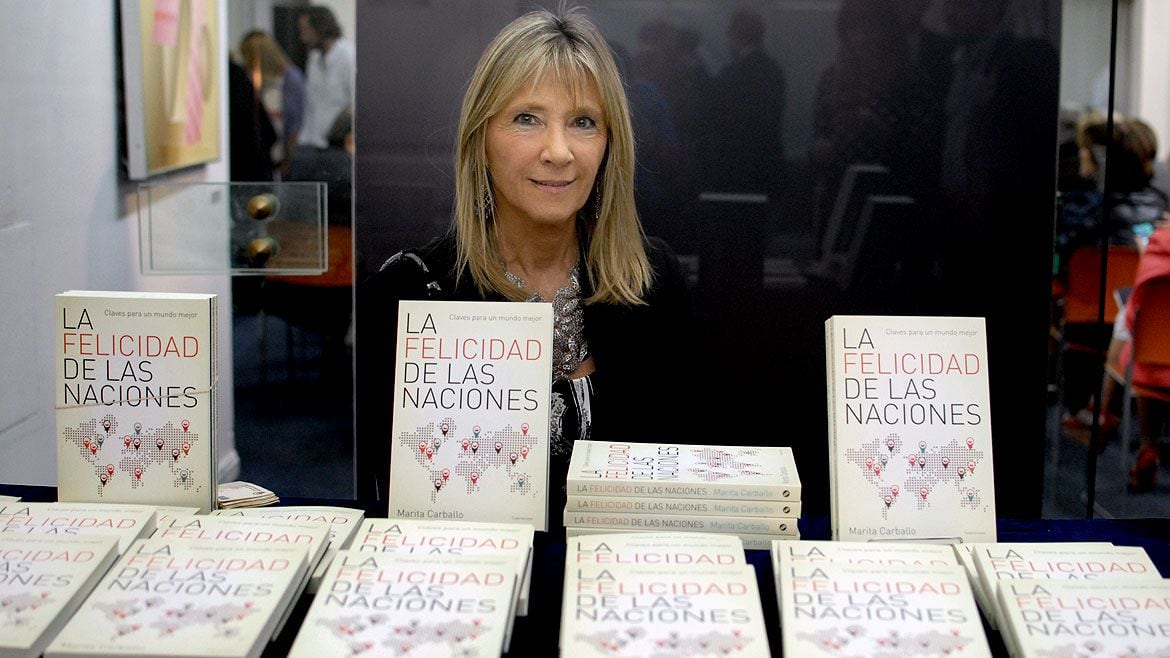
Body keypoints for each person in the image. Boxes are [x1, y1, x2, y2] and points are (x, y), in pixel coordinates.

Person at [356, 8, 693, 529]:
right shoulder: (411, 295)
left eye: (583, 122)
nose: (558, 152)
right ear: (481, 138)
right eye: (527, 118)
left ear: (610, 144)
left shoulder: (654, 280)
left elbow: (685, 480)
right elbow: (392, 504)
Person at [239, 30, 306, 178]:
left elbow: (295, 125)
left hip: (285, 157)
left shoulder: (291, 79)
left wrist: (288, 159)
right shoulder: (251, 81)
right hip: (263, 157)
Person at [295, 6, 354, 162]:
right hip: (311, 145)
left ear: (320, 28)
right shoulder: (314, 59)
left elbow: (356, 104)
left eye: (305, 30)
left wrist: (338, 130)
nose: (303, 38)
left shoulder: (349, 57)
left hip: (337, 148)